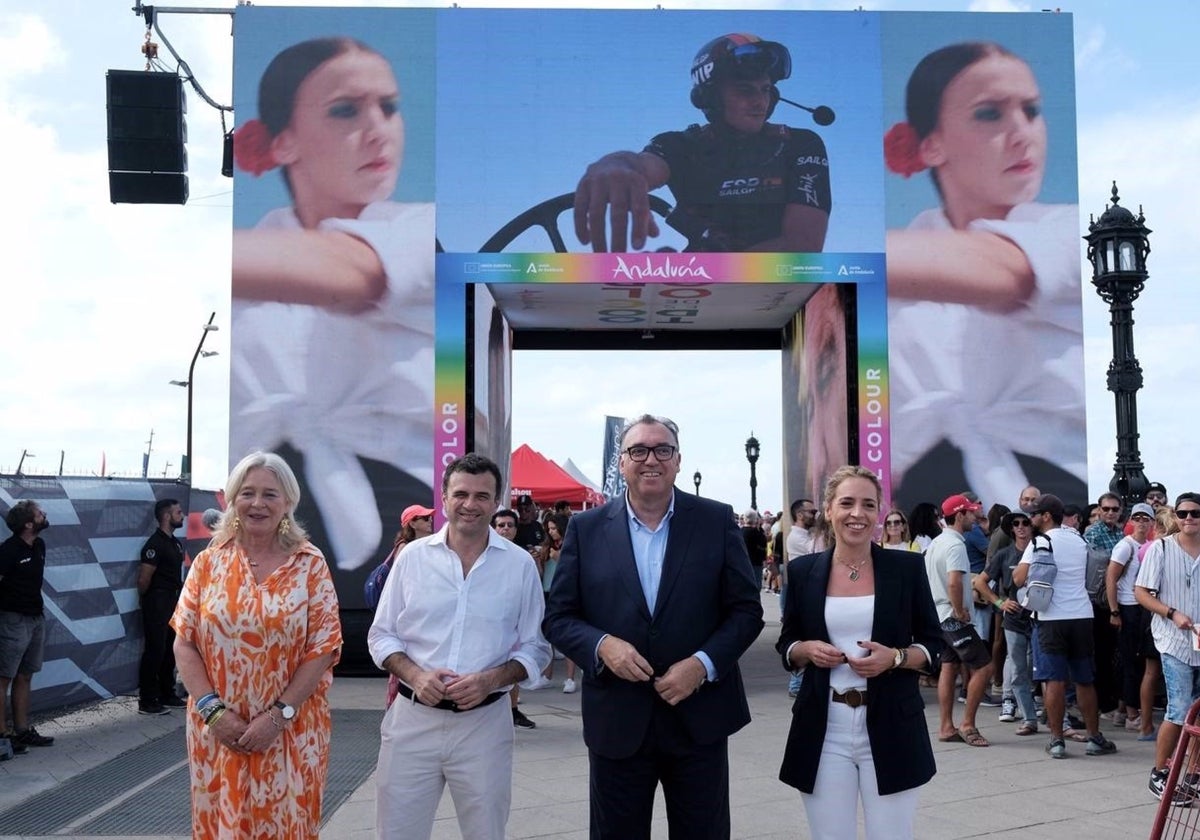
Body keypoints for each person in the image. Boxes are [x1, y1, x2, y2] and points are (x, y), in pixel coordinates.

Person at [230, 36, 435, 572]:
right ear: (284, 142)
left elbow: (348, 271)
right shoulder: (247, 276)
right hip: (274, 510)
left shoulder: (421, 231)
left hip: (408, 506)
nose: (378, 130)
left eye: (389, 107)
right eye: (346, 110)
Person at [544, 414, 764, 839]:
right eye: (638, 450)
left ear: (678, 461)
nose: (651, 459)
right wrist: (602, 645)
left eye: (663, 450)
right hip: (617, 722)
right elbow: (558, 617)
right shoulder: (586, 530)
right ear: (622, 462)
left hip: (699, 720)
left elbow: (746, 611)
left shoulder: (715, 521)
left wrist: (702, 664)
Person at [884, 41, 1085, 506]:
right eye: (990, 114)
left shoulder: (1070, 230)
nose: (1023, 133)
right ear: (930, 144)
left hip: (1056, 491)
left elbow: (1003, 270)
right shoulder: (893, 275)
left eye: (1032, 110)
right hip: (925, 505)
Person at [369, 454, 551, 840]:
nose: (470, 504)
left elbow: (537, 649)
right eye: (461, 494)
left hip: (485, 725)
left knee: (486, 832)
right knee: (397, 833)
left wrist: (491, 680)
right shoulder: (412, 559)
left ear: (496, 500)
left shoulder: (519, 566)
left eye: (482, 496)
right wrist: (416, 675)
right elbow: (380, 635)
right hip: (412, 720)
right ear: (445, 496)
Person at [170, 451, 343, 838]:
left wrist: (278, 715)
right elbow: (185, 643)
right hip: (217, 732)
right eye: (247, 493)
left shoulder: (309, 564)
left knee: (287, 826)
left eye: (270, 494)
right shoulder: (208, 563)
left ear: (288, 503)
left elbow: (324, 648)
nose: (258, 504)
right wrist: (213, 712)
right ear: (232, 500)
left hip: (292, 731)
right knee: (221, 826)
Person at [777, 465, 942, 840]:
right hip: (823, 726)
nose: (858, 514)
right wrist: (804, 649)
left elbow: (934, 645)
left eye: (868, 504)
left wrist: (896, 657)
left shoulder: (906, 567)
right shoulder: (804, 571)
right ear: (829, 509)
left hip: (892, 724)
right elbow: (787, 644)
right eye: (847, 503)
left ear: (879, 512)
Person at [574, 33, 831, 254]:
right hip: (698, 293)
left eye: (765, 90)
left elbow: (802, 246)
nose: (760, 102)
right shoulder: (678, 145)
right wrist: (616, 163)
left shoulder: (800, 144)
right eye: (745, 90)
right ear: (711, 98)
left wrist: (687, 270)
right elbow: (644, 166)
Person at [1012, 493, 1117, 760]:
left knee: (1054, 681)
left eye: (1035, 514)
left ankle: (1057, 741)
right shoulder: (1077, 538)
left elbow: (1018, 578)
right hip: (1082, 615)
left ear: (1047, 516)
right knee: (1084, 679)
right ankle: (1094, 738)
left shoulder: (1038, 542)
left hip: (1049, 618)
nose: (1031, 518)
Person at [1136, 492, 1200, 804]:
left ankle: (1193, 774)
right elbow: (1141, 592)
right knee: (1179, 707)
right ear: (1175, 517)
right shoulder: (1161, 549)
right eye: (1183, 513)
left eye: (1195, 513)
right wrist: (1172, 613)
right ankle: (1160, 772)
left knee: (1199, 712)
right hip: (1173, 640)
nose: (1189, 519)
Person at [925, 494, 993, 747]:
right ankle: (967, 724)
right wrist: (959, 610)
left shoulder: (937, 543)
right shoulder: (955, 545)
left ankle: (946, 727)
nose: (975, 518)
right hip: (952, 617)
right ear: (960, 515)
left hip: (938, 615)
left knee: (949, 667)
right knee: (985, 668)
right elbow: (954, 581)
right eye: (972, 513)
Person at [0, 501, 55, 753]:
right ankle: (3, 735)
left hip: (35, 617)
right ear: (29, 524)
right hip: (12, 619)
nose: (44, 515)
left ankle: (22, 730)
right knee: (3, 678)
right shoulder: (8, 551)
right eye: (39, 514)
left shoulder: (40, 545)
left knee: (25, 675)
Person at [976, 512, 1037, 734]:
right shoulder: (1004, 554)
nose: (1021, 527)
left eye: (1025, 523)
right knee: (1017, 666)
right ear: (1011, 529)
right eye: (1016, 524)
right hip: (1014, 620)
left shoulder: (1041, 551)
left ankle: (1037, 708)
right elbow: (981, 582)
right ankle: (1026, 715)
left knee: (1035, 667)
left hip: (1041, 618)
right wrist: (1000, 602)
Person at [1107, 502, 1158, 740]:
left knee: (1135, 661)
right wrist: (1115, 610)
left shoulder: (1148, 545)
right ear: (1131, 521)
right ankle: (1131, 714)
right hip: (1128, 607)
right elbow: (1111, 577)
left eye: (1145, 518)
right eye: (1137, 517)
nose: (1141, 522)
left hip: (1141, 607)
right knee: (1130, 662)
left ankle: (1124, 709)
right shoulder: (1125, 546)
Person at [136, 498, 186, 715]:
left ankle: (167, 693)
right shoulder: (154, 544)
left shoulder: (174, 543)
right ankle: (147, 700)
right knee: (155, 649)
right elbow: (143, 579)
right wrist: (149, 601)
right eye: (178, 512)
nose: (182, 515)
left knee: (170, 649)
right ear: (166, 516)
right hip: (157, 601)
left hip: (173, 601)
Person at [490, 508, 537, 729]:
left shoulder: (523, 559)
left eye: (510, 525)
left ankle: (513, 709)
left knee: (513, 667)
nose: (505, 529)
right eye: (501, 525)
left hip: (516, 625)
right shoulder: (482, 555)